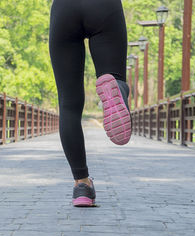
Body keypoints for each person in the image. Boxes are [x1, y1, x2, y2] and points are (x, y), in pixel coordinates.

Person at [48, 0, 132, 207]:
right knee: (114, 76)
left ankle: (82, 185)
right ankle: (118, 89)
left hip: (64, 9)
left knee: (68, 104)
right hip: (104, 6)